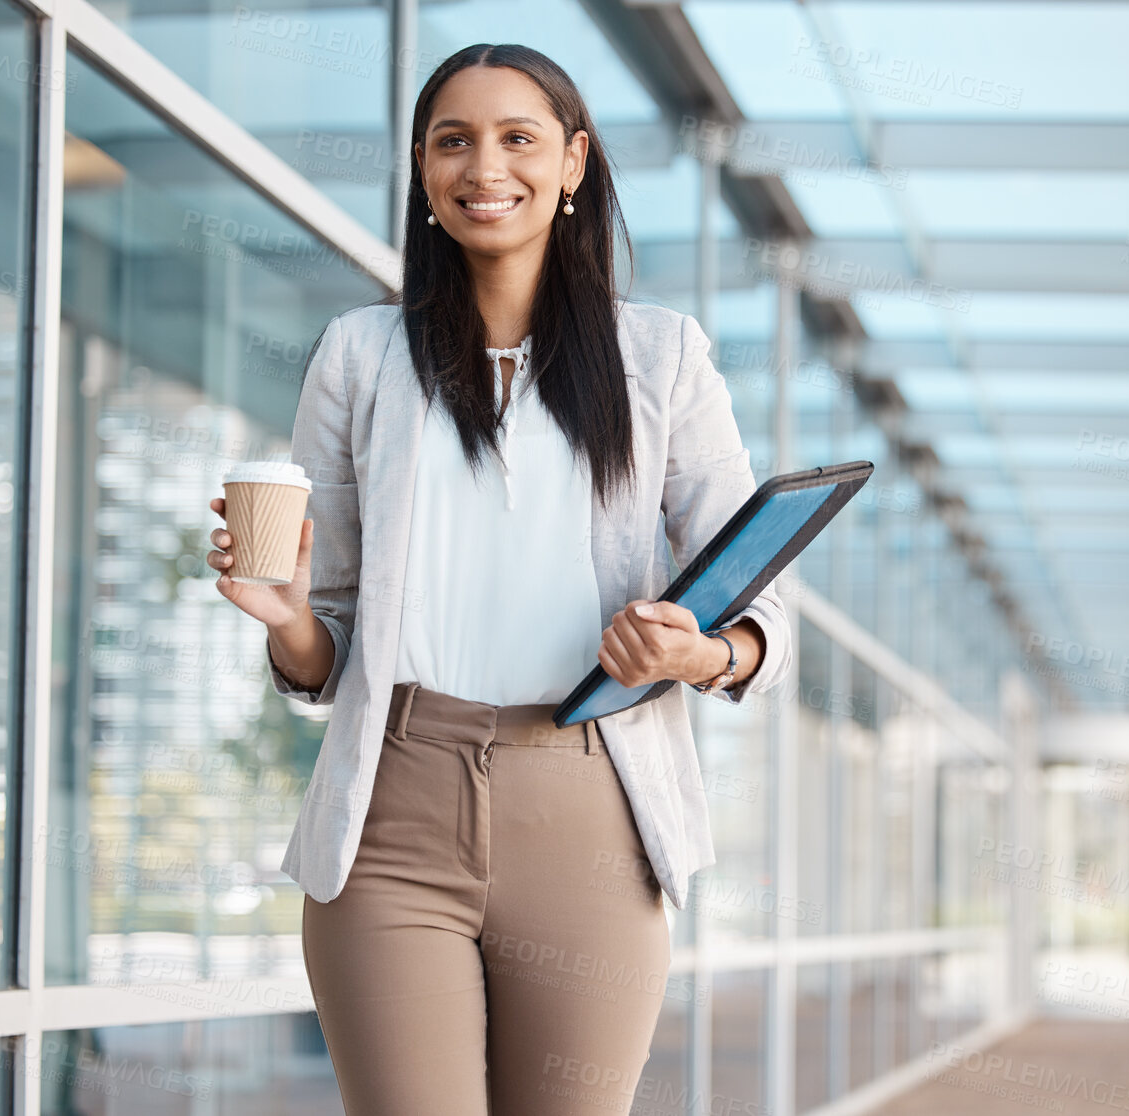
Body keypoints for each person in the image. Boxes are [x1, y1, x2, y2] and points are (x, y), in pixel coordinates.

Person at [204, 42, 792, 1116]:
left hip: (591, 805)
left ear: (573, 162)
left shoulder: (659, 358)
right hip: (394, 805)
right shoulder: (358, 356)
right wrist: (286, 620)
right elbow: (326, 641)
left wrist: (701, 651)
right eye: (452, 141)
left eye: (518, 138)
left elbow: (759, 607)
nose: (485, 167)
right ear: (424, 174)